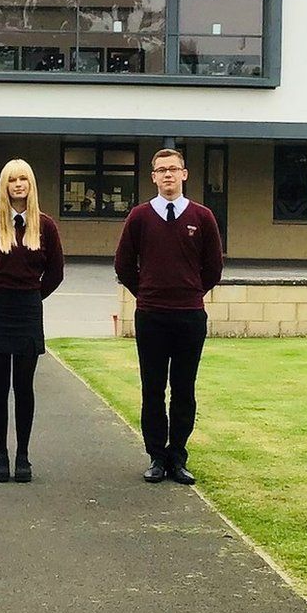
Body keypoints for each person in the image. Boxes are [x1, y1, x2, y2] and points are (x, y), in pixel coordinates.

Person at [114, 147, 223, 485]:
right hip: (151, 316)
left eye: (173, 169)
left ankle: (178, 456)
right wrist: (146, 293)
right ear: (153, 177)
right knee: (152, 389)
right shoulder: (140, 217)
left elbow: (213, 268)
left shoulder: (202, 217)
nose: (168, 176)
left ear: (184, 174)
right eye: (161, 170)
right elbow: (123, 265)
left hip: (189, 316)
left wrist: (190, 292)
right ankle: (156, 457)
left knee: (184, 388)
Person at [0, 159, 65, 483]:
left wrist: (34, 296)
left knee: (24, 386)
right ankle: (1, 456)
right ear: (5, 186)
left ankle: (23, 456)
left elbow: (55, 272)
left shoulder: (46, 226)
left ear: (31, 184)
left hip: (28, 309)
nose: (19, 184)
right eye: (13, 179)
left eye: (24, 178)